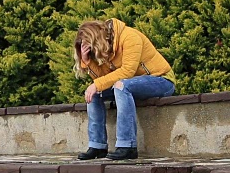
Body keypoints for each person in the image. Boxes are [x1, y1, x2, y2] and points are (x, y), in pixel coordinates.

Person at [74, 18, 176, 160]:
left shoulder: (129, 37)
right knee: (95, 94)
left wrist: (97, 84)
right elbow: (105, 78)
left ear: (98, 40)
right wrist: (87, 62)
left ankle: (128, 146)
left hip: (161, 80)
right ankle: (97, 146)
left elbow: (128, 71)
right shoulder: (109, 47)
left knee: (121, 86)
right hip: (133, 85)